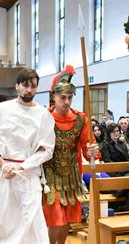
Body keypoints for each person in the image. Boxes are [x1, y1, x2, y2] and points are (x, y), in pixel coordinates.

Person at [0, 69, 55, 243]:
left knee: (32, 219)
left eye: (33, 86)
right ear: (17, 86)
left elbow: (46, 149)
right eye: (25, 85)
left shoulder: (44, 115)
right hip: (4, 172)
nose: (29, 90)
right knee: (3, 220)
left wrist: (21, 167)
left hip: (29, 174)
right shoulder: (2, 109)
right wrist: (4, 164)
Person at [42, 66, 99, 244]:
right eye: (62, 98)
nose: (66, 102)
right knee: (55, 219)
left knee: (66, 221)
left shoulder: (81, 119)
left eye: (70, 97)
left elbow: (87, 148)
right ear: (53, 97)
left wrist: (92, 151)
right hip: (50, 175)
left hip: (72, 176)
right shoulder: (44, 117)